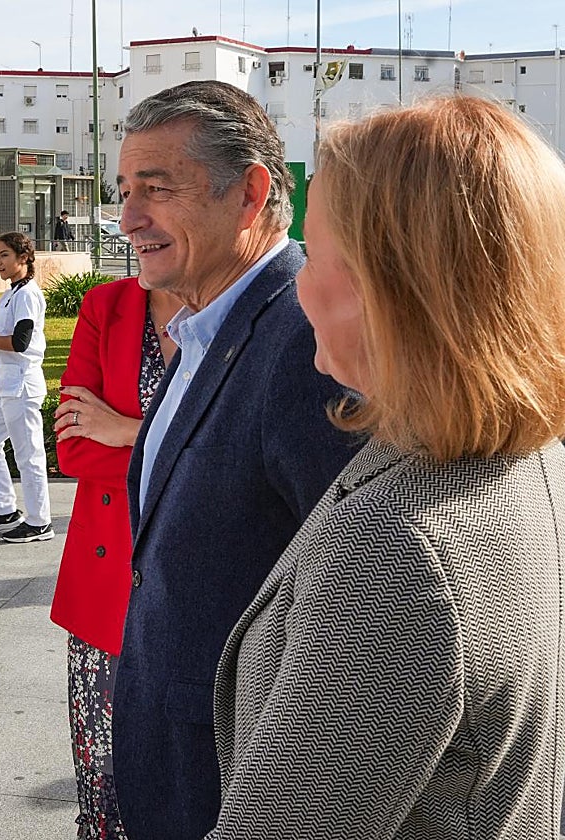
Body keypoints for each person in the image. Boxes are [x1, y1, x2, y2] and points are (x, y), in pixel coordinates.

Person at [206, 95, 565, 839]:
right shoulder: (530, 460)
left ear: (394, 289)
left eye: (313, 254)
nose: (299, 284)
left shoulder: (399, 549)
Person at [111, 80, 360, 839]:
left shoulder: (308, 341)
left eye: (157, 189)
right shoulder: (205, 326)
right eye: (124, 190)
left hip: (247, 786)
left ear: (249, 193)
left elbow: (356, 610)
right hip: (182, 769)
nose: (129, 218)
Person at [50, 278, 182, 839]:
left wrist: (128, 430)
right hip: (107, 589)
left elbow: (244, 462)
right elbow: (73, 448)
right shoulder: (108, 306)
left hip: (204, 587)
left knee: (198, 785)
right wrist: (187, 451)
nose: (134, 232)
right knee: (106, 787)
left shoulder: (239, 307)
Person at [0, 232, 55, 543]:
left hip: (22, 386)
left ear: (24, 258)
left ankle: (39, 522)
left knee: (28, 455)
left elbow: (20, 342)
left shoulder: (28, 295)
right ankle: (6, 510)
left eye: (4, 255)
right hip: (8, 388)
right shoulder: (11, 294)